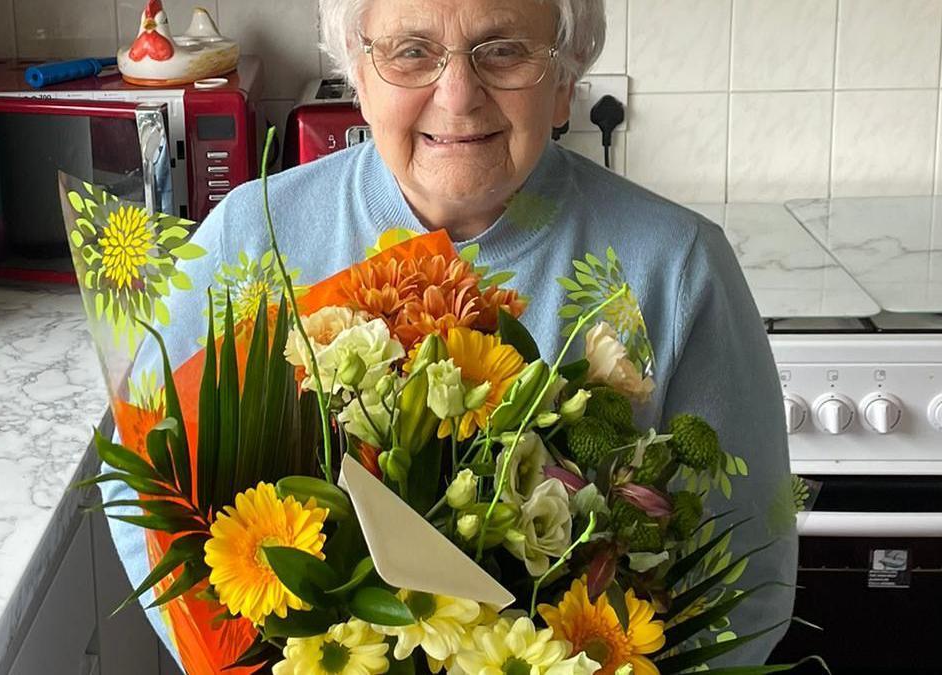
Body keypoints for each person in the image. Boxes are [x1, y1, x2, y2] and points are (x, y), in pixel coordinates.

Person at [101, 0, 798, 667]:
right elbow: (145, 496)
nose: (458, 95)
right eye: (411, 51)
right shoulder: (249, 239)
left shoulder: (677, 268)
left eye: (503, 51)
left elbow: (748, 577)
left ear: (565, 79)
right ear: (357, 72)